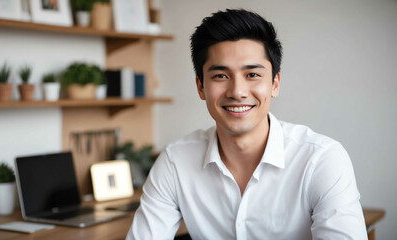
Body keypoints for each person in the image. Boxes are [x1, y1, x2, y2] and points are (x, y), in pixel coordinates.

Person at [126, 9, 367, 240]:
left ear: (274, 84)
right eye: (220, 76)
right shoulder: (175, 162)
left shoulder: (321, 160)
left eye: (252, 75)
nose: (237, 92)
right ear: (201, 87)